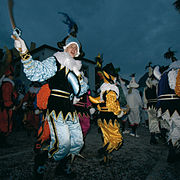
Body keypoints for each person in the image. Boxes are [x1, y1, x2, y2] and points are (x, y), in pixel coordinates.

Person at [12, 33, 89, 178]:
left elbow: (83, 89)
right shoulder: (55, 60)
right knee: (63, 144)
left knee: (77, 143)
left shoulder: (77, 68)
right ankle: (41, 159)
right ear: (65, 47)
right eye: (71, 46)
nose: (73, 49)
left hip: (70, 107)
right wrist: (23, 51)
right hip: (57, 105)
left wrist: (80, 79)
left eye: (76, 47)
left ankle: (63, 167)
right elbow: (35, 72)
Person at [89, 63, 126, 165]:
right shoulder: (111, 90)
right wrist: (120, 112)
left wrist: (96, 109)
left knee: (107, 138)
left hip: (102, 118)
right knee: (117, 140)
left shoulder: (103, 89)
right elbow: (112, 106)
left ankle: (106, 159)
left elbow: (99, 102)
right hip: (110, 118)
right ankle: (104, 151)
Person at [153, 59, 180, 163]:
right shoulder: (175, 72)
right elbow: (175, 87)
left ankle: (172, 150)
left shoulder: (162, 76)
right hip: (173, 105)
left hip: (163, 106)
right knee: (177, 127)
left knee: (172, 127)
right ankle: (173, 149)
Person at [0, 65, 17, 147]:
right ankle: (3, 142)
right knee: (5, 124)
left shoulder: (6, 84)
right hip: (5, 108)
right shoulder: (7, 85)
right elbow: (6, 96)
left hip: (5, 107)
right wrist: (10, 105)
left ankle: (3, 141)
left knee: (5, 124)